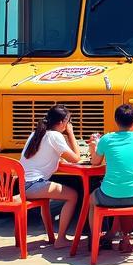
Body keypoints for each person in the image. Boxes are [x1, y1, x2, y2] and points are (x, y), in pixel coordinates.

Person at [87, 104, 133, 252]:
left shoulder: (106, 139)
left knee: (92, 199)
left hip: (108, 196)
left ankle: (95, 238)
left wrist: (94, 149)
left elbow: (95, 162)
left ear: (116, 120)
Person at [19, 103, 80, 249]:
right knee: (73, 196)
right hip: (34, 185)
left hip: (23, 184)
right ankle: (61, 239)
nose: (68, 125)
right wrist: (71, 133)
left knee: (47, 197)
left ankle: (51, 235)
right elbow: (76, 158)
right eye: (68, 121)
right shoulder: (55, 135)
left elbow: (42, 155)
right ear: (61, 122)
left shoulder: (36, 133)